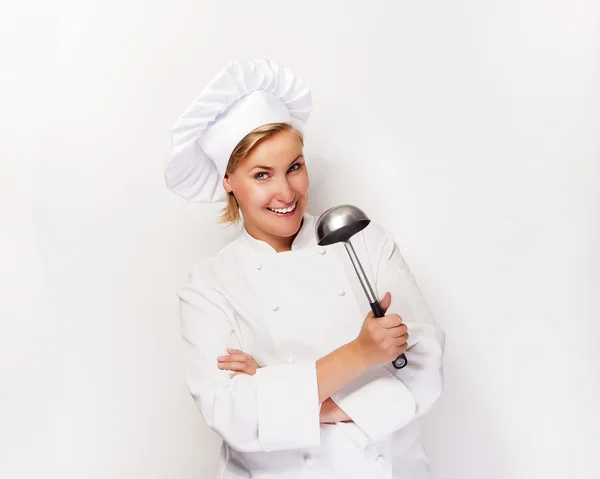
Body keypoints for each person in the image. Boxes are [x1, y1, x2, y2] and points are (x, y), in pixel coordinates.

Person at [165, 58, 446, 479]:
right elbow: (232, 414)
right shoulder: (209, 285)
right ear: (228, 180)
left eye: (294, 167)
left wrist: (280, 390)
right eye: (262, 175)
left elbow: (425, 366)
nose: (286, 192)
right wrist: (361, 355)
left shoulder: (362, 240)